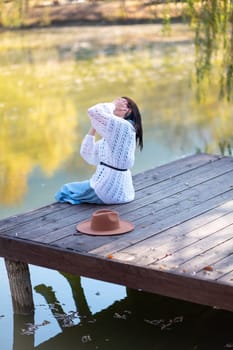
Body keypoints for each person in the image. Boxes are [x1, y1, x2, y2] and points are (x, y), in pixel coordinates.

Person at [55, 97, 143, 205]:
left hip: (108, 189)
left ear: (128, 111)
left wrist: (113, 104)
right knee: (70, 189)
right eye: (118, 102)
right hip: (113, 186)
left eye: (122, 103)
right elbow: (88, 154)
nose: (117, 104)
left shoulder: (124, 127)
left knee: (65, 190)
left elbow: (94, 111)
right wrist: (95, 126)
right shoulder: (114, 136)